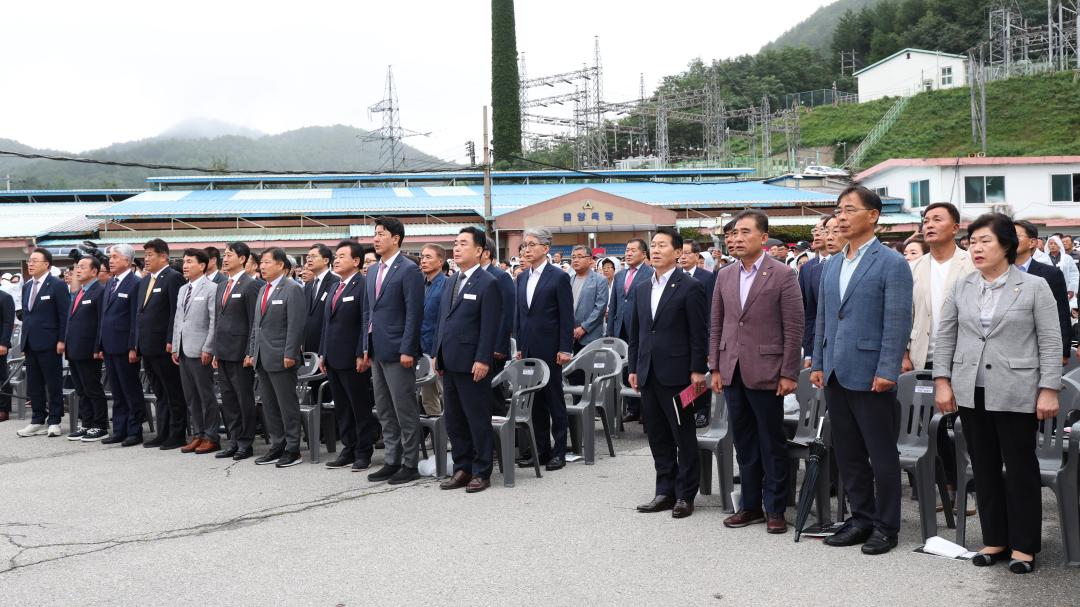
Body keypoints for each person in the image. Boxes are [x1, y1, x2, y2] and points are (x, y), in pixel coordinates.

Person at [933, 213, 1061, 574]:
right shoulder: (963, 286)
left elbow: (1051, 341)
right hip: (972, 389)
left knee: (1020, 467)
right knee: (984, 466)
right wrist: (943, 381)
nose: (976, 248)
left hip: (1018, 389)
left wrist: (1048, 389)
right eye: (972, 242)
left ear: (1007, 244)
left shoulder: (1034, 286)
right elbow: (946, 336)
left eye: (985, 241)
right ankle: (995, 539)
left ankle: (1023, 546)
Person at [810, 186, 913, 555]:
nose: (840, 216)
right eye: (838, 210)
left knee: (881, 454)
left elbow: (898, 320)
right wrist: (819, 363)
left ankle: (886, 526)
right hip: (837, 370)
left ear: (872, 216)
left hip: (872, 373)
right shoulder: (834, 262)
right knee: (849, 452)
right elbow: (824, 317)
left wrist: (888, 368)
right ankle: (861, 518)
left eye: (849, 209)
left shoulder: (891, 262)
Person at [709, 210, 803, 533]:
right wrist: (715, 367)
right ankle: (749, 506)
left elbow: (793, 326)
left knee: (771, 441)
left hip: (767, 370)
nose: (736, 238)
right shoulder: (724, 275)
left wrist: (789, 372)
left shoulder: (782, 274)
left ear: (763, 238)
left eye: (745, 232)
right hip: (732, 369)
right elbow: (717, 324)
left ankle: (775, 508)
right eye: (733, 233)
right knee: (745, 443)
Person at [629, 227, 707, 519]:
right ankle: (665, 489)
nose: (657, 249)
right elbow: (637, 332)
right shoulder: (642, 287)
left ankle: (686, 494)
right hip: (648, 372)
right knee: (657, 435)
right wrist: (634, 366)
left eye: (663, 245)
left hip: (679, 375)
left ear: (678, 252)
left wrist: (698, 370)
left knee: (682, 434)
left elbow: (699, 334)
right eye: (654, 245)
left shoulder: (690, 286)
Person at [435, 227, 502, 492]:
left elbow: (490, 326)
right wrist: (436, 354)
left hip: (473, 361)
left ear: (479, 251)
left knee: (477, 418)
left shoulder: (489, 283)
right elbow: (444, 320)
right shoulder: (452, 280)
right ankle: (462, 467)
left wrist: (483, 359)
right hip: (449, 360)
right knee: (454, 418)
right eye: (455, 243)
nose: (457, 247)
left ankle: (482, 470)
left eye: (464, 243)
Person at [362, 217, 425, 484]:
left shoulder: (408, 269)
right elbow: (369, 311)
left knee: (404, 408)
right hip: (377, 348)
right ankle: (392, 459)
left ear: (396, 238)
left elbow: (414, 313)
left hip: (400, 350)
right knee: (385, 409)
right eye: (375, 234)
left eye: (381, 234)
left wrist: (408, 348)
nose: (375, 239)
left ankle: (410, 463)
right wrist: (365, 346)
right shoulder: (375, 270)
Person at [514, 227, 574, 471]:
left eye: (531, 244)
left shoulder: (558, 277)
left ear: (545, 248)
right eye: (524, 245)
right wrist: (519, 345)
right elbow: (520, 315)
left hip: (551, 349)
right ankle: (540, 450)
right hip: (528, 348)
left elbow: (566, 316)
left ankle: (559, 450)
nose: (526, 249)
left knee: (554, 400)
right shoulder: (522, 277)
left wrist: (565, 348)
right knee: (535, 401)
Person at [320, 241, 380, 471]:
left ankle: (364, 451)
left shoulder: (363, 285)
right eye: (336, 255)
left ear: (356, 261)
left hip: (353, 357)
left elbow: (365, 322)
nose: (336, 259)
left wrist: (361, 352)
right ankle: (348, 447)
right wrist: (323, 352)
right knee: (342, 406)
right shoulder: (336, 287)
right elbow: (328, 323)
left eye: (342, 256)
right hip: (333, 356)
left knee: (359, 406)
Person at [247, 247, 307, 468]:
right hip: (262, 356)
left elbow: (296, 325)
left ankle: (293, 448)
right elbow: (257, 326)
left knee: (286, 404)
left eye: (266, 262)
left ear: (281, 265)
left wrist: (290, 353)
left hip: (282, 356)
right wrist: (252, 352)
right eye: (261, 262)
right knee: (269, 405)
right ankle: (277, 445)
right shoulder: (264, 289)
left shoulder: (292, 289)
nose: (262, 266)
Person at [904, 203, 975, 373]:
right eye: (926, 221)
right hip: (921, 357)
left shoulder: (973, 265)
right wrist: (904, 354)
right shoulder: (912, 268)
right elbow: (905, 315)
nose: (929, 225)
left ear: (955, 228)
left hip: (962, 359)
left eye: (937, 220)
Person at [136, 239, 187, 449]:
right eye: (145, 255)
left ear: (163, 256)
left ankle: (177, 434)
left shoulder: (173, 278)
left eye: (150, 254)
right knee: (160, 392)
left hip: (163, 346)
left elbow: (176, 312)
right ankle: (163, 432)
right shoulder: (146, 281)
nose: (146, 259)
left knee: (173, 391)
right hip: (147, 345)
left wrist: (171, 340)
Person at [212, 242, 261, 461]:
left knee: (243, 399)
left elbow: (254, 322)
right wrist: (214, 350)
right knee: (229, 400)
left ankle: (245, 442)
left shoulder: (250, 285)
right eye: (224, 254)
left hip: (240, 353)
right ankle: (233, 440)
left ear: (242, 258)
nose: (225, 258)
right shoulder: (222, 285)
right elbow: (218, 320)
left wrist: (251, 351)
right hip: (222, 351)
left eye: (229, 254)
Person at [15, 249, 70, 438]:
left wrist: (62, 340)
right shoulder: (27, 286)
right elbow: (28, 316)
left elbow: (64, 315)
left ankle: (54, 420)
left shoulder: (57, 285)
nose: (30, 264)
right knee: (34, 384)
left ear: (47, 264)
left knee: (52, 383)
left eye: (35, 261)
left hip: (51, 342)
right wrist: (24, 342)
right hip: (30, 342)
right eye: (29, 261)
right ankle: (37, 419)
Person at [96, 244, 146, 444]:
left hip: (125, 346)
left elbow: (136, 317)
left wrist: (134, 346)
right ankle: (119, 429)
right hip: (109, 344)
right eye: (110, 257)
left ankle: (135, 430)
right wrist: (99, 345)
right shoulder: (110, 282)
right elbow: (103, 316)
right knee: (116, 390)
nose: (111, 260)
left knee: (130, 389)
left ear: (127, 260)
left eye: (115, 257)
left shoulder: (135, 283)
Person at [172, 248, 220, 454]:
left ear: (202, 265)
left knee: (206, 395)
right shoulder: (183, 289)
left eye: (190, 261)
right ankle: (197, 434)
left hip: (201, 350)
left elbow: (214, 321)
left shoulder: (212, 288)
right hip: (183, 349)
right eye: (184, 261)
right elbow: (178, 320)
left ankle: (211, 436)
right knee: (191, 396)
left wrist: (209, 347)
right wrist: (175, 346)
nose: (185, 265)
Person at [607, 239, 653, 422]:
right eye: (627, 250)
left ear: (643, 254)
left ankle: (645, 409)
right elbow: (614, 304)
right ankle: (632, 408)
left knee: (641, 366)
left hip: (640, 327)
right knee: (625, 369)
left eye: (633, 250)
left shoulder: (650, 273)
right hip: (621, 328)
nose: (629, 253)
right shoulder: (619, 276)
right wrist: (610, 332)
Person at [64, 256, 108, 442]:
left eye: (82, 267)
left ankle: (100, 425)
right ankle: (87, 423)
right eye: (77, 267)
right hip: (74, 348)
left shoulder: (99, 291)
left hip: (90, 349)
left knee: (92, 388)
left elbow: (101, 322)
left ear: (94, 272)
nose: (78, 270)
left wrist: (98, 346)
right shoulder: (79, 292)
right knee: (81, 389)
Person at [1015, 222, 1072, 366]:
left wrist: (1063, 350)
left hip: (1039, 350)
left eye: (1015, 235)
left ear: (1032, 242)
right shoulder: (997, 273)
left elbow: (1061, 313)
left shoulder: (1050, 274)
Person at [481, 241, 515, 413]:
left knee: (494, 394)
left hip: (494, 347)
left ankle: (501, 437)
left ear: (486, 253)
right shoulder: (470, 276)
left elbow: (507, 313)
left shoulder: (500, 276)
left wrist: (500, 346)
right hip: (476, 345)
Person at [419, 244, 448, 416]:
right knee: (427, 397)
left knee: (446, 395)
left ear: (441, 261)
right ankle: (437, 435)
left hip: (438, 351)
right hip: (421, 350)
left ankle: (453, 435)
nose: (423, 260)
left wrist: (438, 352)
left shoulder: (447, 284)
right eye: (422, 257)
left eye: (428, 257)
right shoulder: (419, 284)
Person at [569, 245, 608, 354]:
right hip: (571, 335)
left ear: (590, 260)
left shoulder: (600, 280)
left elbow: (600, 308)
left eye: (580, 257)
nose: (576, 260)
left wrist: (584, 328)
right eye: (573, 257)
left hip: (590, 335)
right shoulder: (569, 279)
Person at [1045, 234, 1079, 312]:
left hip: (1066, 290)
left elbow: (1074, 274)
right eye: (1051, 243)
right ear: (1047, 245)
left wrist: (1072, 289)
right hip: (1048, 290)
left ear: (1059, 245)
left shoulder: (1067, 258)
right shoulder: (1043, 258)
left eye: (1055, 243)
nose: (1053, 246)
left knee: (1065, 312)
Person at [0, 281, 13, 423]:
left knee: (2, 376)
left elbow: (8, 323)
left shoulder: (5, 297)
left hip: (0, 345)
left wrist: (3, 343)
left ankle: (4, 409)